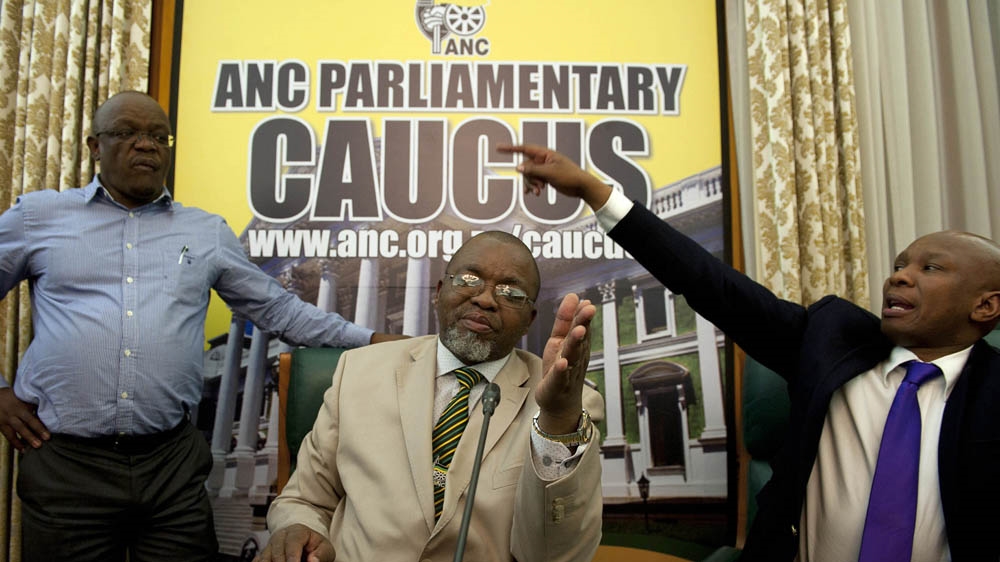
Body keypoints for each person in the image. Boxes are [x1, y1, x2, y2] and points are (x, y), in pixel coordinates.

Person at [500, 144, 1000, 562]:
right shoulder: (831, 341)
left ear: (986, 305)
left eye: (931, 268)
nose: (900, 275)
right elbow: (708, 281)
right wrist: (595, 191)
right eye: (899, 264)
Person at [0, 90, 404, 562]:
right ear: (94, 146)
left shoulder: (205, 231)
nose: (146, 145)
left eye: (157, 136)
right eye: (128, 133)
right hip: (68, 464)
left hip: (169, 466)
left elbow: (280, 311)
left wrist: (372, 340)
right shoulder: (38, 216)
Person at [256, 231, 605, 562]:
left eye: (510, 293)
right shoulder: (357, 371)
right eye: (469, 280)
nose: (485, 299)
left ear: (529, 320)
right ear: (439, 291)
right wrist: (298, 528)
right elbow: (305, 499)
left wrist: (557, 421)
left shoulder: (569, 412)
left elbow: (554, 555)